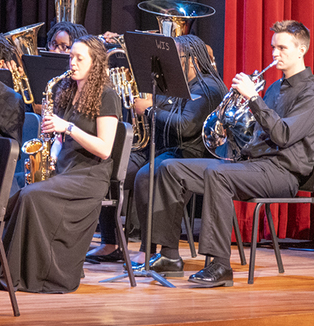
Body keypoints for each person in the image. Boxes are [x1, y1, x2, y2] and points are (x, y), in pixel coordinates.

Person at [142, 20, 314, 287]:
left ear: (301, 51)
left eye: (283, 48)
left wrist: (253, 99)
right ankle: (169, 256)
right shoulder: (275, 88)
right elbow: (257, 134)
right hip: (255, 166)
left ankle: (220, 265)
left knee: (218, 175)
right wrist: (233, 121)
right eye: (274, 47)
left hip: (283, 174)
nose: (275, 54)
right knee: (170, 167)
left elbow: (283, 135)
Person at [86, 35, 224, 264]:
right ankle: (110, 242)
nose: (170, 63)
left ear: (193, 61)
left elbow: (186, 127)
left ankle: (147, 248)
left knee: (145, 176)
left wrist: (150, 110)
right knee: (111, 168)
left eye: (176, 57)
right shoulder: (178, 85)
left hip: (189, 153)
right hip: (163, 148)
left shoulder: (208, 87)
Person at [4, 35, 121, 293]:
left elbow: (104, 149)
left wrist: (67, 126)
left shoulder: (107, 96)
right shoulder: (67, 90)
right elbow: (60, 138)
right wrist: (54, 151)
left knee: (32, 196)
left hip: (90, 176)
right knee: (20, 193)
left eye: (80, 58)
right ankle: (15, 270)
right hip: (65, 168)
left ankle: (37, 276)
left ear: (96, 63)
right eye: (71, 57)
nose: (73, 63)